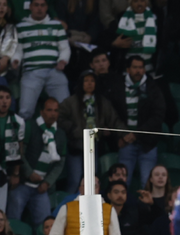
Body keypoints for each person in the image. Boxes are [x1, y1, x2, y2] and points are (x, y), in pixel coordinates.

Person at [58, 70, 125, 194]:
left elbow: (113, 119)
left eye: (92, 81)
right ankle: (68, 207)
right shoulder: (71, 101)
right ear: (81, 83)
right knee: (75, 180)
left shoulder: (102, 102)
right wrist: (74, 129)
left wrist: (123, 134)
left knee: (91, 180)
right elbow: (59, 117)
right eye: (86, 81)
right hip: (75, 145)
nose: (89, 84)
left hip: (92, 145)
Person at [109, 56, 165, 189]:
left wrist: (136, 134)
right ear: (128, 69)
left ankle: (148, 210)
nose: (138, 71)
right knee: (121, 184)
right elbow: (111, 114)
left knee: (147, 184)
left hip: (148, 144)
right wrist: (121, 135)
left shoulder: (153, 88)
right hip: (126, 142)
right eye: (135, 67)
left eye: (141, 67)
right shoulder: (117, 86)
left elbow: (158, 116)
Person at [7, 98, 65, 227]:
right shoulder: (30, 126)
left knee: (45, 226)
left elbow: (60, 163)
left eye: (56, 110)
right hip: (22, 183)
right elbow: (20, 151)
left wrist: (47, 182)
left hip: (41, 188)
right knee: (13, 221)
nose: (53, 114)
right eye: (49, 110)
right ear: (42, 112)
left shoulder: (60, 134)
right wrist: (28, 173)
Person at [12, 0, 69, 120]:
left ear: (47, 7)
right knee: (25, 111)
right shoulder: (21, 27)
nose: (39, 8)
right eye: (36, 5)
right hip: (31, 72)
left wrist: (63, 60)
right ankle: (23, 137)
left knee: (65, 109)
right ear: (31, 7)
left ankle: (63, 136)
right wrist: (16, 60)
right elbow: (18, 49)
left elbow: (64, 48)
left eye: (42, 5)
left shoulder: (56, 25)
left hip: (54, 71)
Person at [114, 0, 158, 72]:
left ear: (146, 3)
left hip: (148, 63)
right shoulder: (122, 18)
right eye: (135, 1)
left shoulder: (154, 18)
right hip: (127, 63)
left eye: (142, 1)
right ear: (130, 4)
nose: (139, 4)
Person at [0, 85, 23, 213]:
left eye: (7, 98)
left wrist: (16, 173)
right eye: (1, 97)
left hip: (3, 170)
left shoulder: (18, 122)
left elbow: (19, 149)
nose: (4, 101)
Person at [0, 0, 19, 87]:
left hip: (3, 72)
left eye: (4, 5)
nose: (2, 7)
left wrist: (5, 58)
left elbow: (12, 46)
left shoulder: (10, 28)